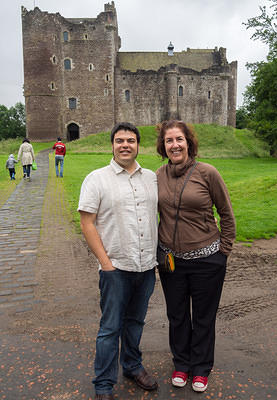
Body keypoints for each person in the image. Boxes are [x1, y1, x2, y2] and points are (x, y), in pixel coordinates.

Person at [77, 122, 158, 400]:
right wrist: (106, 264)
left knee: (135, 323)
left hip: (146, 266)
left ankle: (132, 366)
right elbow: (87, 222)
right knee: (110, 328)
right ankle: (103, 385)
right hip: (116, 269)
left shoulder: (151, 178)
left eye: (131, 140)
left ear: (138, 145)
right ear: (112, 145)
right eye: (120, 140)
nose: (125, 145)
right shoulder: (97, 179)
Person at [156, 120, 236, 393]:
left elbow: (226, 213)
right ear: (163, 146)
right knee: (177, 315)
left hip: (207, 260)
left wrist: (223, 251)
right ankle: (182, 364)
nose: (175, 145)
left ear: (188, 142)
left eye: (179, 139)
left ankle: (201, 368)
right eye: (169, 141)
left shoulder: (207, 173)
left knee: (203, 316)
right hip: (171, 262)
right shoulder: (157, 175)